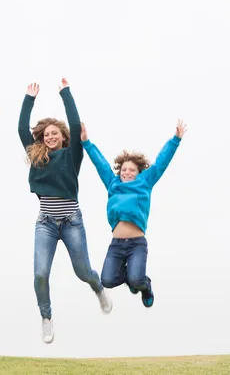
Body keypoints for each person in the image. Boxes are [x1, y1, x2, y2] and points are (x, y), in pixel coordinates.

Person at [18, 80, 112, 344]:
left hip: (72, 221)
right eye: (46, 134)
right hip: (45, 223)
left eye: (54, 134)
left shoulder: (72, 155)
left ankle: (97, 287)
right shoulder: (37, 156)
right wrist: (29, 99)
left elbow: (73, 123)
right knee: (40, 274)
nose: (50, 137)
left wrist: (65, 93)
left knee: (83, 271)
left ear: (62, 137)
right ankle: (46, 318)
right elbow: (20, 128)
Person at [80, 119, 187, 309]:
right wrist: (86, 142)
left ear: (139, 172)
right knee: (107, 280)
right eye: (124, 169)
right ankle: (132, 278)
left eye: (132, 170)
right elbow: (101, 164)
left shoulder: (144, 182)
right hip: (116, 245)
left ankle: (144, 285)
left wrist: (175, 140)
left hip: (137, 244)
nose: (127, 173)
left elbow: (161, 163)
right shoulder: (113, 184)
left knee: (137, 280)